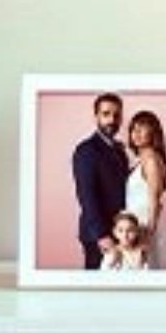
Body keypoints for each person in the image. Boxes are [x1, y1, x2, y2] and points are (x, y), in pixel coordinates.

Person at [72, 93, 129, 269]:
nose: (112, 120)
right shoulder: (86, 150)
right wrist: (101, 235)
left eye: (117, 115)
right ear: (96, 116)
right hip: (98, 236)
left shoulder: (120, 151)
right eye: (106, 114)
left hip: (121, 233)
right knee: (96, 284)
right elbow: (86, 195)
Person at [125, 110, 166, 268]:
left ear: (153, 132)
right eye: (133, 129)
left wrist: (149, 235)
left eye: (142, 128)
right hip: (134, 225)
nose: (136, 133)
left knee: (147, 268)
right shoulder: (142, 159)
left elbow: (154, 200)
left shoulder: (151, 160)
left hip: (145, 225)